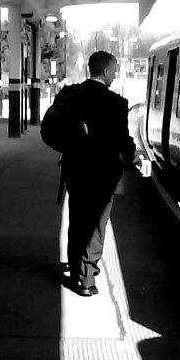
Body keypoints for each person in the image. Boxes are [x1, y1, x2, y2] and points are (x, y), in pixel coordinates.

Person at [60, 51, 136, 296]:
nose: (115, 76)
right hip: (104, 174)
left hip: (74, 169)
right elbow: (123, 141)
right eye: (114, 71)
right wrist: (133, 155)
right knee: (96, 225)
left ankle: (76, 269)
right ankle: (86, 278)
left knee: (78, 219)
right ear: (105, 71)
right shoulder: (116, 103)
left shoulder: (73, 95)